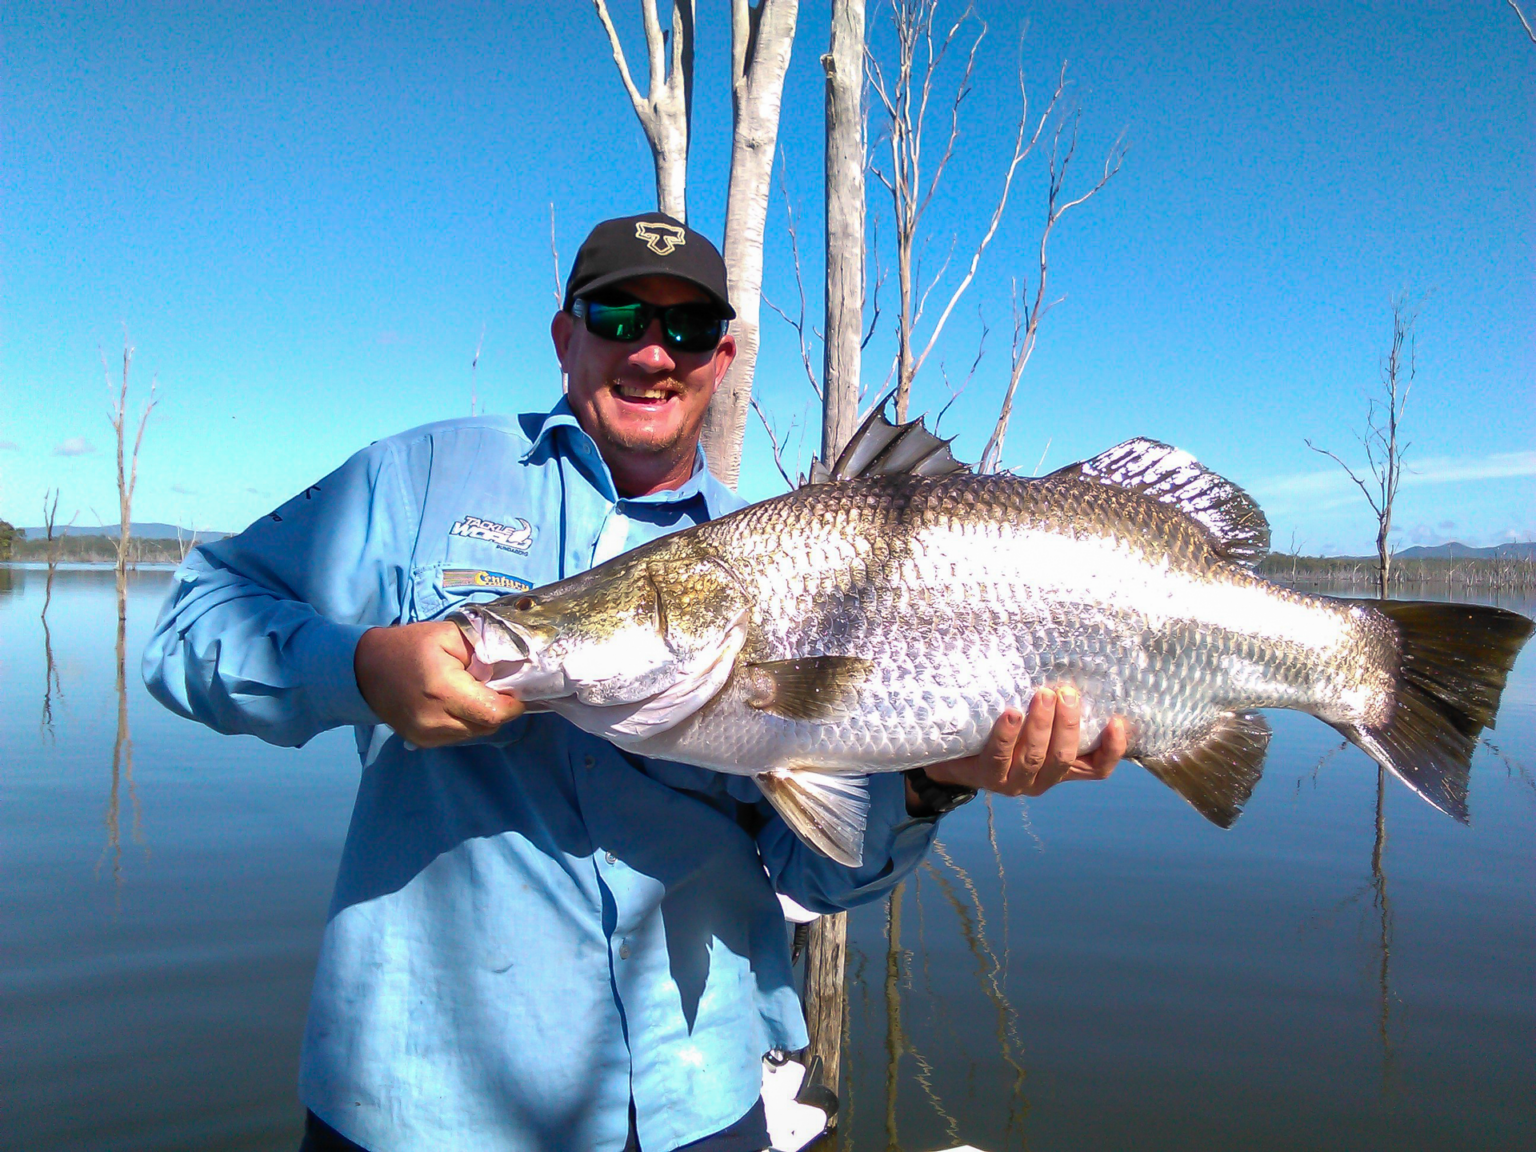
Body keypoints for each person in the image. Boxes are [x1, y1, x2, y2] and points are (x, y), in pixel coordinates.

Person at [144, 212, 1125, 1152]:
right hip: (421, 1103)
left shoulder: (777, 551)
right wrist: (356, 669)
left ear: (723, 361)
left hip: (699, 1101)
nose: (653, 352)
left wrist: (932, 781)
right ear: (567, 337)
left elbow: (813, 870)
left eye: (689, 326)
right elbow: (192, 619)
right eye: (619, 318)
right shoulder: (423, 478)